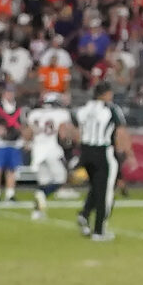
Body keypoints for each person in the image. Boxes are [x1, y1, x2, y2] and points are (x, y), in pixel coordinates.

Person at [74, 82, 125, 241]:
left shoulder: (84, 108)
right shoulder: (111, 109)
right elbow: (120, 132)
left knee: (96, 187)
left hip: (86, 151)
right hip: (103, 151)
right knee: (105, 191)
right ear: (106, 94)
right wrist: (124, 153)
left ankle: (85, 213)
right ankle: (99, 230)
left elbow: (77, 130)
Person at [24, 91, 71, 222]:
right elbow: (63, 134)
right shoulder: (61, 114)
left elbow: (27, 134)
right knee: (60, 179)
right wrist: (68, 140)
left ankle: (37, 212)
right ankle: (41, 194)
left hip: (37, 150)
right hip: (52, 150)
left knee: (44, 182)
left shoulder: (34, 114)